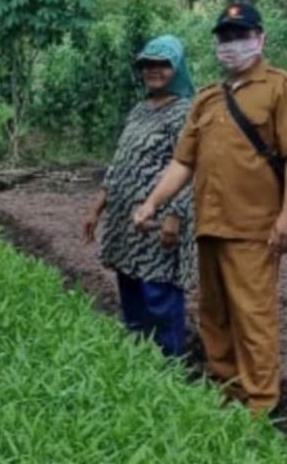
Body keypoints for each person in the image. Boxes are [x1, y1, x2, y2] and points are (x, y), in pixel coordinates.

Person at [134, 2, 287, 413]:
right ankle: (226, 394)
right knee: (214, 315)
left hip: (254, 228)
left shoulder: (281, 88)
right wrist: (152, 203)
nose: (232, 44)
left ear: (260, 38)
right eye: (225, 37)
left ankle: (260, 406)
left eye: (240, 36)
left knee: (253, 316)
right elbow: (183, 162)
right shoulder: (208, 98)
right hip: (210, 225)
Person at [83, 35, 196, 357]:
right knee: (130, 285)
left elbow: (191, 167)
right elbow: (121, 161)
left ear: (178, 69)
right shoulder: (140, 109)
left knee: (158, 291)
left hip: (158, 221)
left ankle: (170, 361)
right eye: (147, 64)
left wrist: (175, 214)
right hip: (126, 220)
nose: (153, 70)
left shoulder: (186, 112)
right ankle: (139, 360)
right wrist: (97, 207)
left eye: (163, 64)